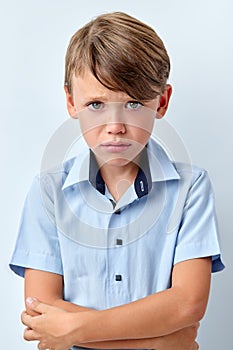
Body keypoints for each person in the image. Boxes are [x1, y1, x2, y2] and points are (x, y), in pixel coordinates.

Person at [10, 11, 224, 350]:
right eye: (96, 104)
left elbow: (186, 304)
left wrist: (73, 330)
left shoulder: (191, 189)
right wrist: (162, 340)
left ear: (162, 102)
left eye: (134, 103)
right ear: (71, 102)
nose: (115, 125)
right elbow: (42, 314)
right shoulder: (48, 191)